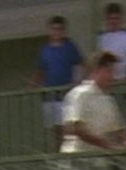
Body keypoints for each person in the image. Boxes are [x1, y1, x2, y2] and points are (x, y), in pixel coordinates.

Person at [34, 15, 84, 151]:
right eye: (54, 29)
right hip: (49, 95)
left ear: (64, 31)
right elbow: (40, 70)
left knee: (66, 126)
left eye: (60, 29)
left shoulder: (70, 47)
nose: (57, 32)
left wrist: (77, 82)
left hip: (65, 94)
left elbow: (81, 64)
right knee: (54, 128)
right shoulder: (45, 50)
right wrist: (35, 84)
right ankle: (57, 153)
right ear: (50, 30)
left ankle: (65, 153)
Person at [60, 51, 125, 153]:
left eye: (113, 72)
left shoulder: (109, 100)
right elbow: (75, 128)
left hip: (100, 158)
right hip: (78, 156)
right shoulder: (80, 94)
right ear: (96, 71)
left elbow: (117, 131)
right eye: (109, 71)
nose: (112, 77)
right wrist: (106, 145)